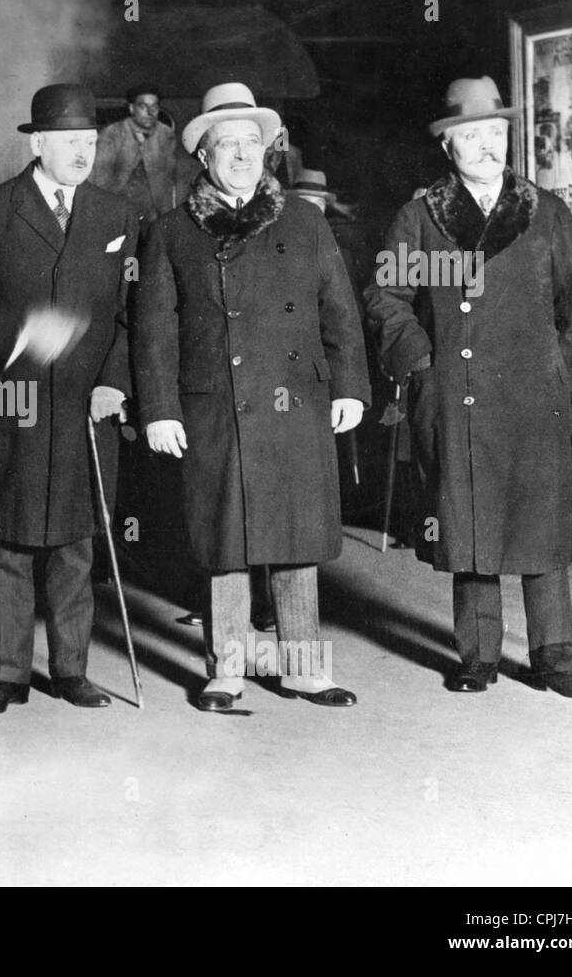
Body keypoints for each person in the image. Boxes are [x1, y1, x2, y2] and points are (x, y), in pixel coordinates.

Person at [363, 76, 572, 698]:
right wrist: (419, 361)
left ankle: (555, 657)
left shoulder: (546, 212)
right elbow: (386, 296)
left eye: (495, 134)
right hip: (458, 394)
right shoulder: (420, 217)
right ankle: (478, 655)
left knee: (542, 526)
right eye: (471, 136)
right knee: (468, 523)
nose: (487, 146)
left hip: (536, 394)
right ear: (448, 145)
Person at [132, 82, 370, 712]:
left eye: (251, 142)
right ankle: (227, 671)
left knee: (298, 540)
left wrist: (351, 388)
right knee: (225, 542)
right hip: (216, 405)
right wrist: (158, 408)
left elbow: (339, 312)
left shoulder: (304, 220)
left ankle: (305, 669)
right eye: (225, 143)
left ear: (268, 152)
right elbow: (155, 329)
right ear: (203, 157)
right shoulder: (171, 232)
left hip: (298, 400)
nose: (240, 153)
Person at [0, 83, 138, 716]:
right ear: (38, 142)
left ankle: (72, 672)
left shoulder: (117, 215)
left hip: (84, 406)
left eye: (89, 142)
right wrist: (18, 333)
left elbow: (135, 314)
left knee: (77, 546)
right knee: (11, 547)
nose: (83, 153)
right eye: (70, 142)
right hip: (11, 403)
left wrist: (114, 380)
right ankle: (8, 676)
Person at [89, 82, 197, 223]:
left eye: (154, 107)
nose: (150, 112)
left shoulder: (166, 134)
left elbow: (177, 176)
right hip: (117, 208)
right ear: (132, 108)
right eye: (143, 107)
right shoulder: (111, 134)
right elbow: (99, 178)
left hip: (157, 211)